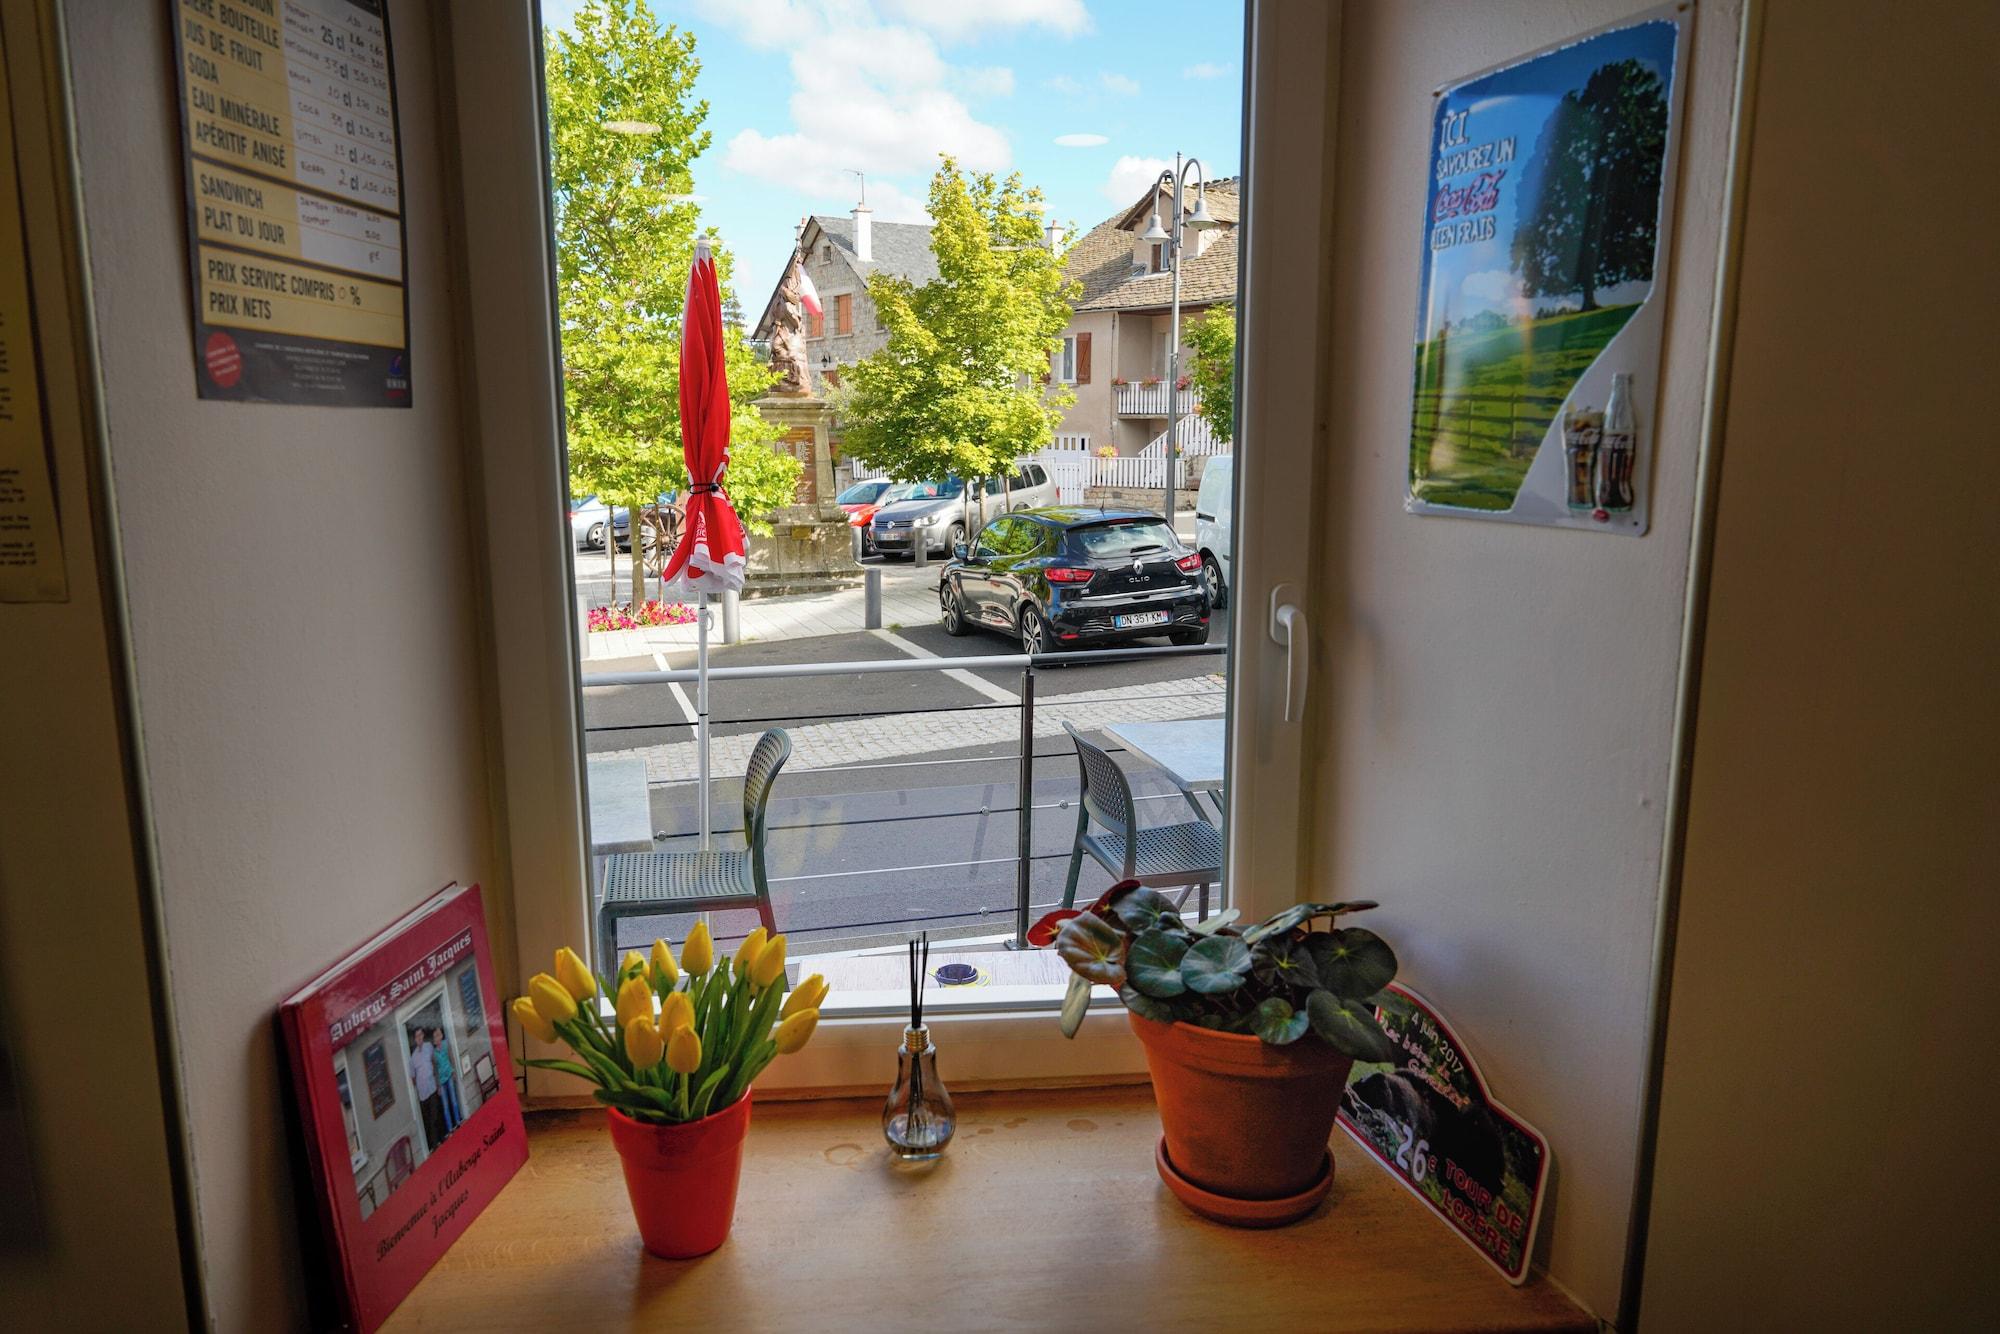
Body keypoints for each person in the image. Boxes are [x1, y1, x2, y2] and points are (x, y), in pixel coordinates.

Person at [408, 1026, 444, 1152]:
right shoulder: (412, 1058)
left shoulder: (429, 1046)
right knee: (428, 1121)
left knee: (436, 1117)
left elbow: (434, 1063)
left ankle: (440, 1141)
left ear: (423, 1036)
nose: (419, 1038)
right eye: (416, 1036)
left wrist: (438, 1083)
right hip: (423, 1094)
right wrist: (419, 1084)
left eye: (420, 1035)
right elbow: (412, 1077)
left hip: (432, 1088)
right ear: (414, 1039)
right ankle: (434, 1145)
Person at [431, 1026, 461, 1135]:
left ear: (441, 1036)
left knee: (453, 1099)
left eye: (438, 1035)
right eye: (435, 1037)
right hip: (441, 1080)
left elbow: (451, 1057)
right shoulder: (433, 1054)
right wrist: (438, 1086)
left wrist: (453, 1071)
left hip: (449, 1074)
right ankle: (450, 1128)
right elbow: (435, 1071)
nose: (437, 1038)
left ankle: (458, 1121)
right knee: (445, 1105)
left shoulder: (446, 1044)